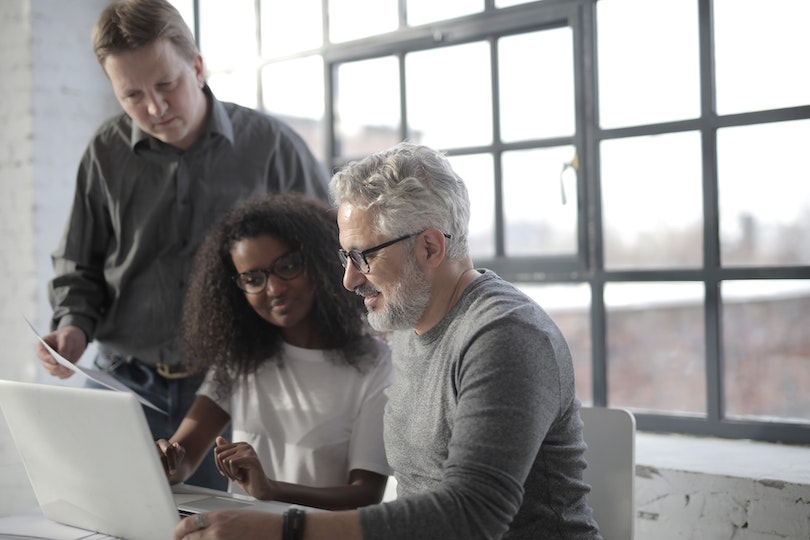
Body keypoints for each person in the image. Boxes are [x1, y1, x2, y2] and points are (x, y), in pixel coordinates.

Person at [174, 141, 602, 539]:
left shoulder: (505, 335)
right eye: (345, 256)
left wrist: (284, 531)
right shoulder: (408, 327)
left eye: (364, 256)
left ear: (430, 247)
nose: (348, 279)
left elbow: (473, 515)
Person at [34, 0, 330, 490]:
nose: (154, 108)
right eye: (132, 95)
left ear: (196, 66)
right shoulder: (104, 153)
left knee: (221, 528)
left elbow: (325, 259)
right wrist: (72, 329)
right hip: (121, 381)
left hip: (238, 388)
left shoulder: (272, 146)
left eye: (166, 84)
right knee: (103, 519)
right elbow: (78, 264)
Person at [155, 194, 391, 510]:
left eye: (288, 266)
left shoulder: (375, 363)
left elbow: (366, 494)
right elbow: (183, 458)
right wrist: (166, 462)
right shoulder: (241, 357)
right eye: (253, 278)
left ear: (319, 261)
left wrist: (271, 489)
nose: (274, 288)